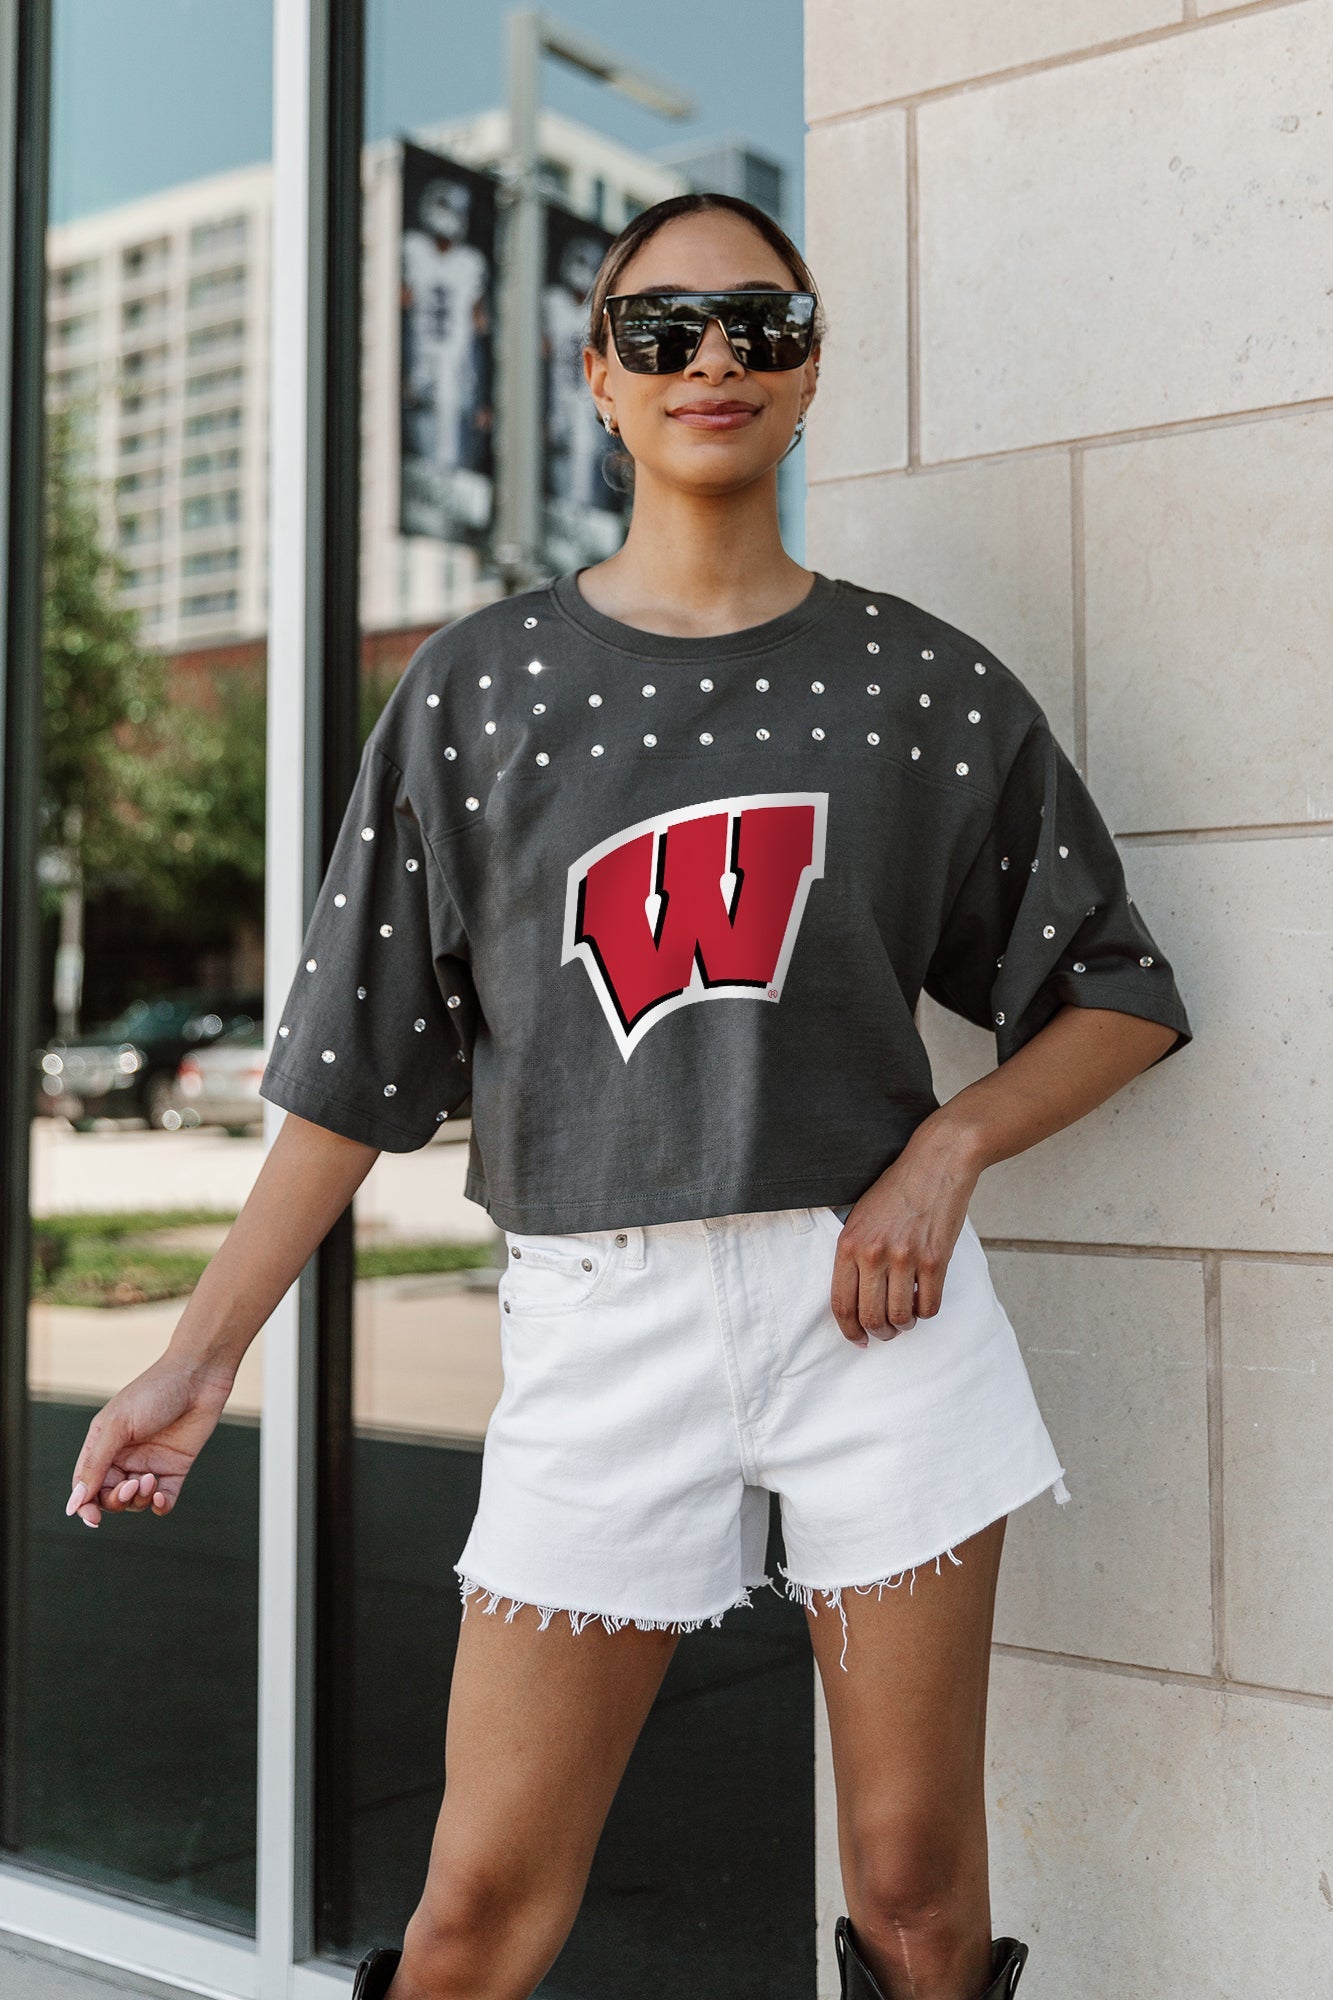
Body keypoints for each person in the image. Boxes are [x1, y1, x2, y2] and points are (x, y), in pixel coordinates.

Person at [64, 192, 1193, 2000]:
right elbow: (359, 1069)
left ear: (810, 362)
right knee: (475, 1912)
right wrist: (203, 1355)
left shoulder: (919, 685)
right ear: (597, 379)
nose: (712, 360)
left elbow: (1117, 992)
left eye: (758, 319)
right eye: (659, 330)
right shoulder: (478, 689)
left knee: (912, 1892)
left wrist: (950, 1148)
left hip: (877, 1323)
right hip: (600, 1323)